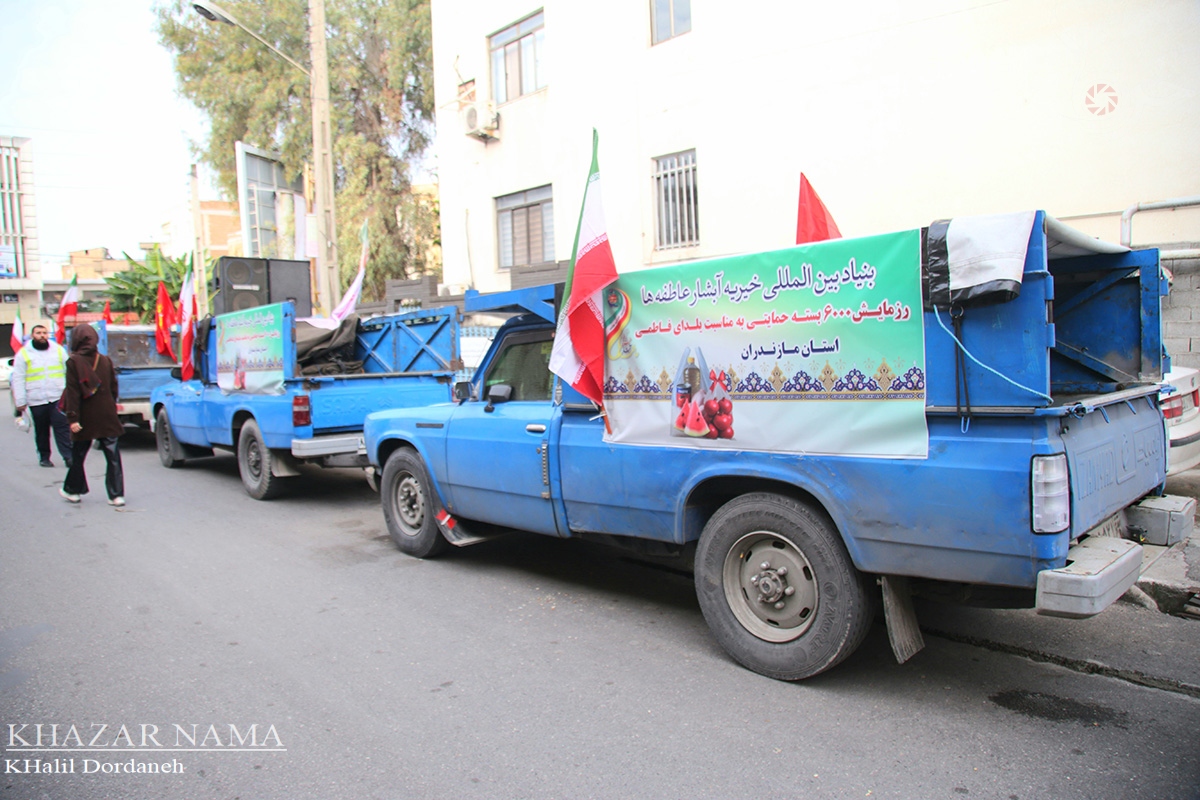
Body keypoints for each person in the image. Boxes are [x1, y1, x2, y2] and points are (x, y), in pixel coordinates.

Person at [60, 324, 125, 506]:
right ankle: (116, 495)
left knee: (79, 454)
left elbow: (72, 393)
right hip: (107, 415)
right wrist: (109, 406)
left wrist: (72, 418)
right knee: (113, 456)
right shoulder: (105, 360)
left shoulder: (73, 362)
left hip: (85, 416)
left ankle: (73, 490)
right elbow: (113, 388)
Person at [10, 324, 73, 468]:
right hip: (36, 399)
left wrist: (70, 394)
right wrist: (20, 401)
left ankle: (68, 456)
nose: (42, 335)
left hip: (57, 397)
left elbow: (69, 372)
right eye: (38, 333)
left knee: (62, 428)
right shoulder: (23, 354)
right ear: (32, 335)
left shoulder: (58, 350)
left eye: (44, 333)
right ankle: (44, 457)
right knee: (42, 430)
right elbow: (18, 378)